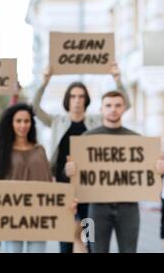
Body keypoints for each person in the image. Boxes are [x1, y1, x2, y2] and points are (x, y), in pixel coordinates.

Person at [32, 64, 131, 253]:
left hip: (89, 189)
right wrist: (45, 82)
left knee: (90, 237)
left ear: (86, 100)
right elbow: (35, 108)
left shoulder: (95, 120)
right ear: (67, 99)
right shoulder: (57, 121)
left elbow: (122, 106)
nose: (77, 100)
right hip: (64, 187)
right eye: (73, 96)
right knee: (65, 240)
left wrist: (118, 79)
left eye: (81, 96)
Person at [65, 90, 164, 253]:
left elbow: (149, 174)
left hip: (129, 207)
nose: (113, 109)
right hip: (96, 207)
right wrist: (68, 170)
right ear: (101, 110)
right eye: (108, 105)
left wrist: (159, 170)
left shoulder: (137, 140)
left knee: (129, 250)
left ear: (124, 108)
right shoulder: (86, 138)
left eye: (117, 105)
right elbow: (72, 172)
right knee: (96, 249)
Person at [0, 103, 52, 253]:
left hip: (37, 217)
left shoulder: (40, 151)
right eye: (18, 121)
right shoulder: (1, 151)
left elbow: (49, 183)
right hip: (11, 216)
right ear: (10, 123)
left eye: (26, 121)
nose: (23, 125)